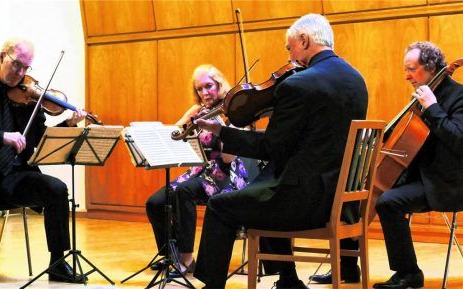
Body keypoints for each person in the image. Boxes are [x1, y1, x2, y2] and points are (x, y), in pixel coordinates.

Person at [193, 13, 368, 289]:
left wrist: (221, 132)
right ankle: (288, 280)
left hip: (306, 203)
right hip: (343, 200)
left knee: (221, 205)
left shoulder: (299, 84)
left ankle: (211, 286)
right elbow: (309, 138)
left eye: (290, 48)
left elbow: (270, 148)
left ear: (304, 39)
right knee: (265, 184)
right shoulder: (357, 80)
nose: (290, 55)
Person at [0, 38, 88, 286]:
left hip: (16, 176)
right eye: (16, 64)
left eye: (25, 68)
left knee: (56, 189)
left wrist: (68, 124)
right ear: (2, 57)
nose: (20, 73)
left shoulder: (30, 98)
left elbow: (41, 139)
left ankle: (57, 263)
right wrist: (2, 137)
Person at [372, 42, 463, 289]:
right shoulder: (426, 92)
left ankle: (409, 273)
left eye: (411, 69)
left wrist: (432, 107)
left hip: (447, 182)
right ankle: (347, 263)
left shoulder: (458, 97)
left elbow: (459, 141)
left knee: (388, 202)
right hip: (421, 174)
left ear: (431, 67)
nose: (406, 76)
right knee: (361, 187)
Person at [145, 64, 249, 277]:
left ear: (219, 85)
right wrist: (177, 126)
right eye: (199, 89)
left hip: (224, 174)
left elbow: (229, 159)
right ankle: (171, 256)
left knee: (184, 191)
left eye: (208, 86)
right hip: (198, 172)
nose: (204, 93)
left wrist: (221, 126)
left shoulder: (234, 114)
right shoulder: (197, 110)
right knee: (155, 203)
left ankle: (187, 258)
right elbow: (173, 134)